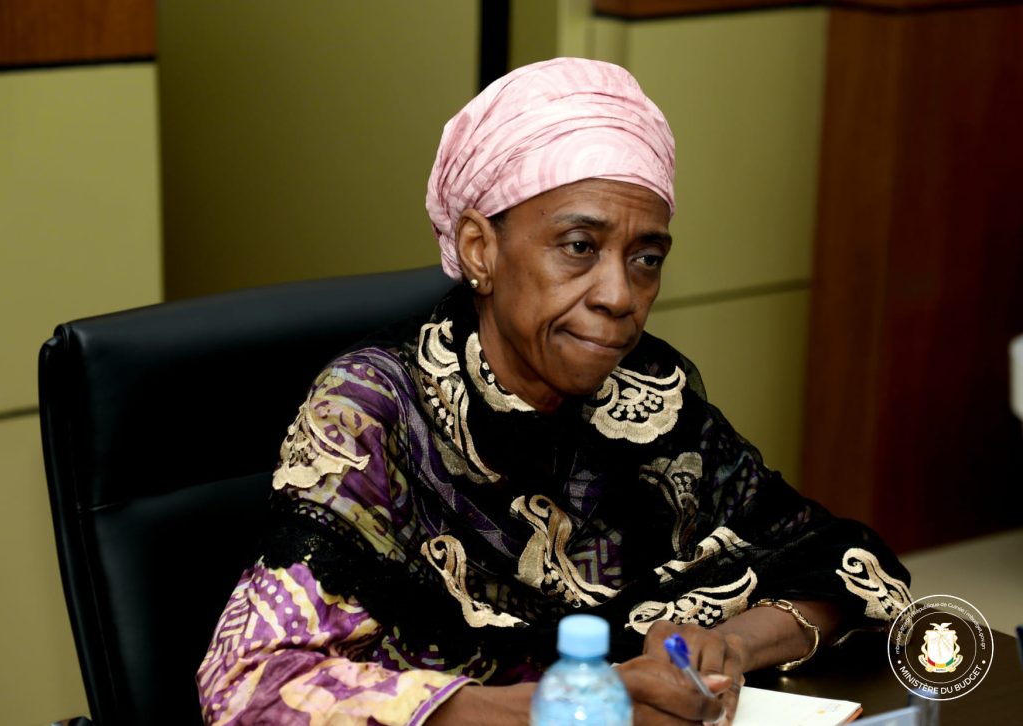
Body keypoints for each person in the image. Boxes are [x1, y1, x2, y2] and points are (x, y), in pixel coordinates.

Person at [197, 57, 911, 725]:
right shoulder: (373, 408)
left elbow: (840, 558)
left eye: (646, 258)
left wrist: (731, 644)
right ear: (479, 249)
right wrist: (568, 705)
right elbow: (250, 686)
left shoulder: (646, 393)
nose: (619, 295)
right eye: (579, 247)